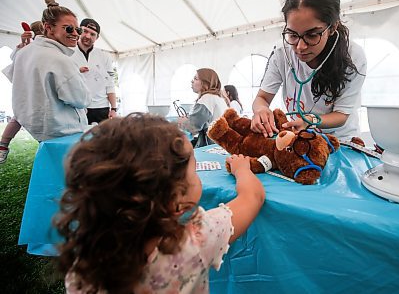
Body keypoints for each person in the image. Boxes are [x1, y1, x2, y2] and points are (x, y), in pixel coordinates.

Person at [56, 113, 265, 293]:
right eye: (194, 171)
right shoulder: (194, 241)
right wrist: (242, 169)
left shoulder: (83, 269)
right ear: (175, 199)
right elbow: (252, 197)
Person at [251, 0, 367, 141]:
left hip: (340, 141)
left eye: (312, 35)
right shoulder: (281, 53)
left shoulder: (353, 56)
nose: (300, 47)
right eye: (292, 34)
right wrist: (261, 110)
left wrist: (310, 121)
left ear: (332, 27)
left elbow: (341, 115)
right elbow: (262, 98)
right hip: (301, 138)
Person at [10, 0, 90, 142]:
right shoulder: (60, 60)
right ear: (48, 28)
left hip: (38, 131)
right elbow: (81, 99)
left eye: (78, 29)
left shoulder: (23, 53)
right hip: (64, 134)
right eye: (69, 28)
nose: (75, 34)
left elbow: (16, 80)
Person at [0, 21, 44, 164]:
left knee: (19, 117)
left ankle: (3, 144)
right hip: (28, 91)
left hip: (37, 92)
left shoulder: (45, 48)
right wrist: (24, 43)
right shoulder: (27, 47)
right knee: (19, 116)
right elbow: (16, 59)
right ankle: (3, 145)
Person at [72, 18, 118, 124]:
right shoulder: (68, 52)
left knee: (102, 140)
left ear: (96, 38)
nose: (88, 36)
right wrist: (75, 72)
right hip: (77, 107)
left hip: (101, 108)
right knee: (78, 140)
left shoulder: (104, 56)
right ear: (79, 30)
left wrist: (114, 109)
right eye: (85, 31)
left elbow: (110, 84)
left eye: (92, 34)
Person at [178, 68, 229, 148]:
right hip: (224, 145)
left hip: (213, 147)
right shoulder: (218, 98)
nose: (192, 81)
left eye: (195, 79)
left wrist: (182, 121)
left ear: (206, 83)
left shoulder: (206, 99)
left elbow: (193, 127)